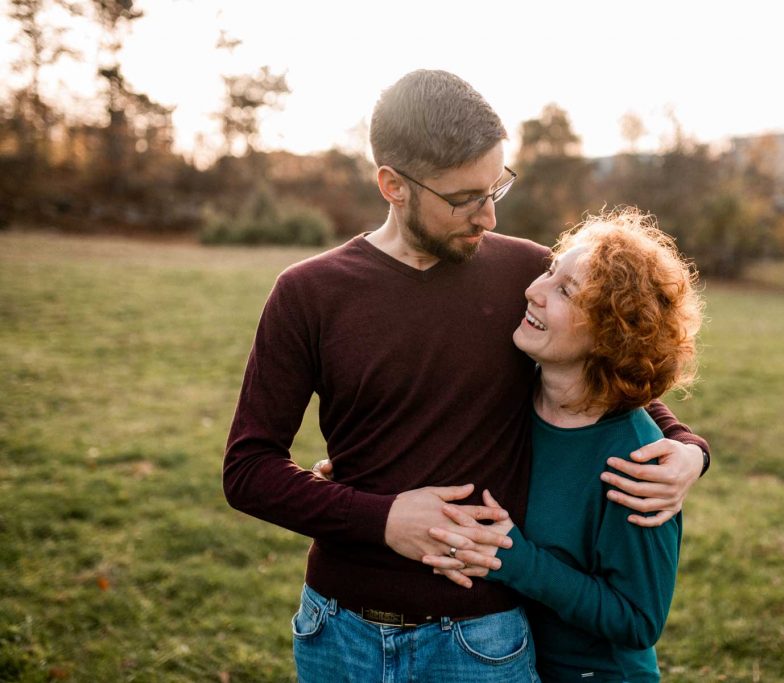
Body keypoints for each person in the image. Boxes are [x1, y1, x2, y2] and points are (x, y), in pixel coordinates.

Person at [222, 70, 710, 682]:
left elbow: (614, 374)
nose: (487, 214)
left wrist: (690, 448)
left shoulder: (525, 276)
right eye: (463, 198)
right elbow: (248, 471)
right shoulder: (307, 293)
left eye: (496, 187)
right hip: (336, 630)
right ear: (393, 185)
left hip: (482, 638)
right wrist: (382, 519)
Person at [421, 208, 702, 682]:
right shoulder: (512, 393)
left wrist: (519, 562)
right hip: (500, 663)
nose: (533, 291)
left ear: (611, 334)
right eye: (550, 271)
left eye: (565, 291)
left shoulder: (639, 463)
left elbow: (638, 621)